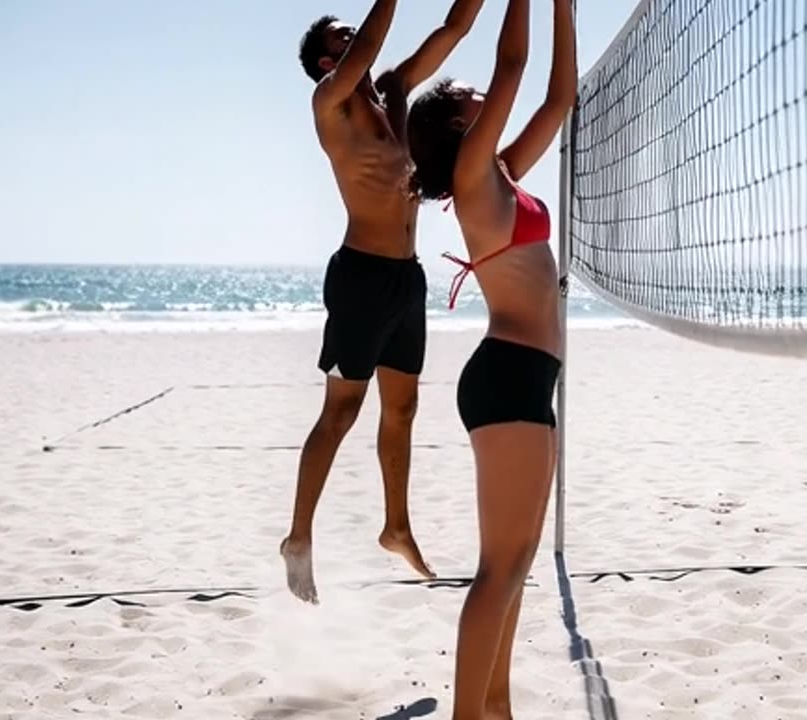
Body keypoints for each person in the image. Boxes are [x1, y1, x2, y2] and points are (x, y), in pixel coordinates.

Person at [282, 0, 486, 605]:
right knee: (341, 413)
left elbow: (452, 30)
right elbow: (369, 46)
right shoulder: (330, 102)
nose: (360, 43)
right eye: (345, 39)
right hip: (361, 279)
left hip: (406, 279)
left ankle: (395, 526)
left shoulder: (394, 94)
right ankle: (297, 538)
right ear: (328, 60)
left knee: (402, 412)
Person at [406, 0, 575, 715]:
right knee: (499, 570)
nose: (486, 91)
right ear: (457, 124)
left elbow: (558, 96)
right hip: (507, 376)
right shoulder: (476, 172)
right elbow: (515, 65)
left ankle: (495, 707)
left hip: (529, 378)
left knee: (519, 562)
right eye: (471, 97)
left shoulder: (499, 171)